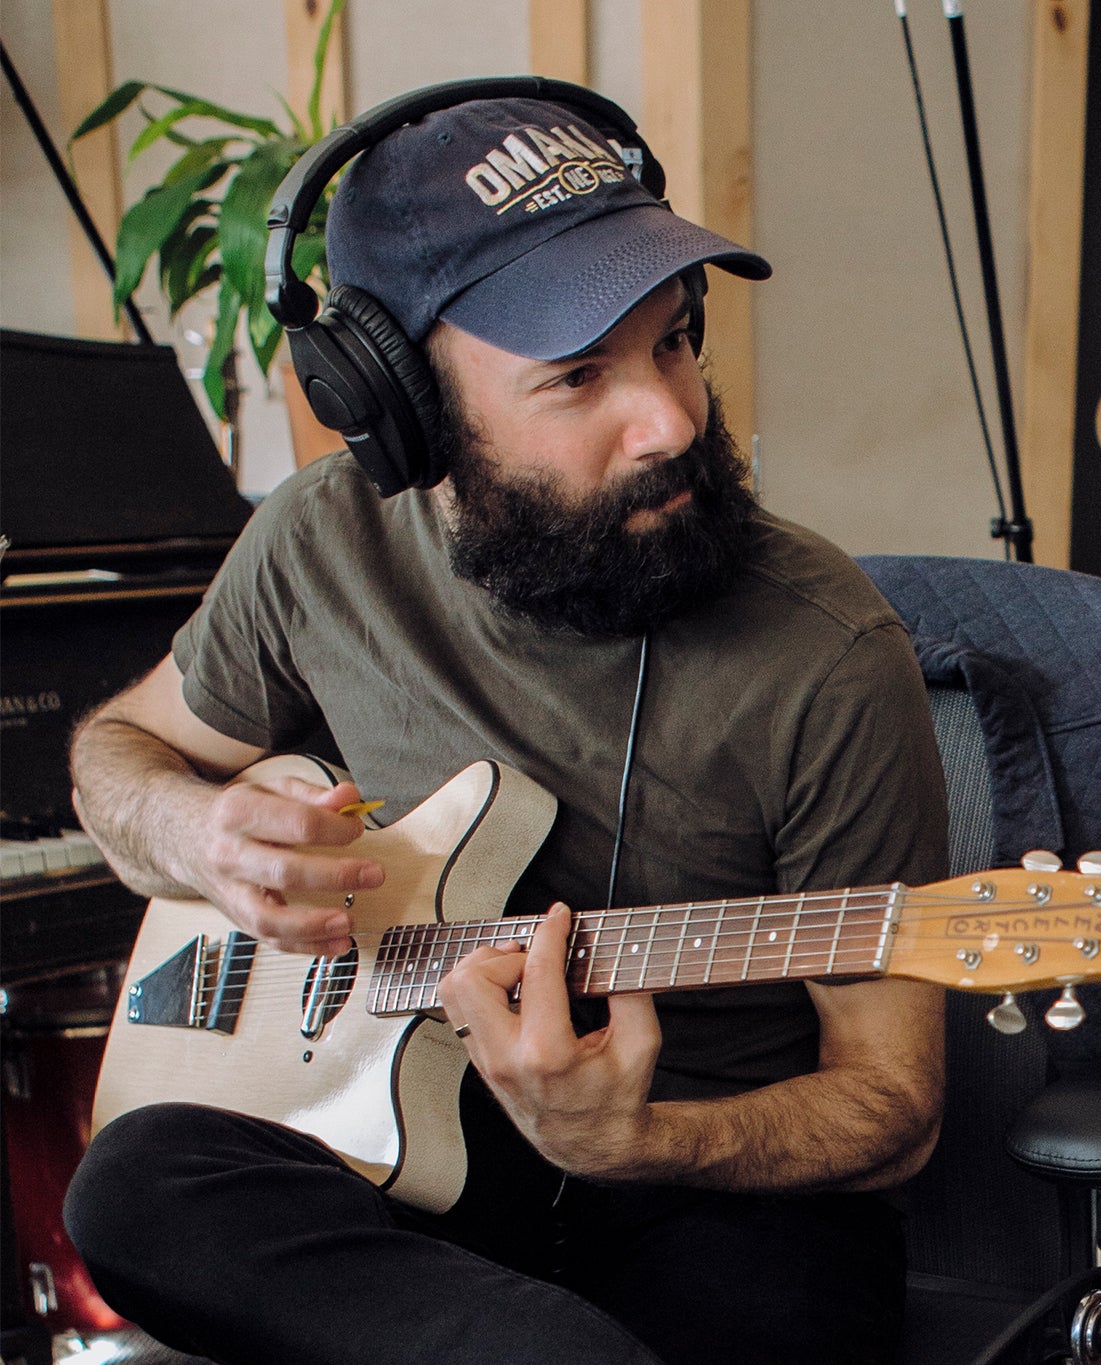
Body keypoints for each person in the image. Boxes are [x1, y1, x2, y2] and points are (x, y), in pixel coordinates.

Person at [64, 91, 949, 1365]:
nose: (671, 420)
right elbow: (120, 755)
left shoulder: (828, 652)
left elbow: (892, 1104)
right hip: (407, 1160)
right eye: (579, 376)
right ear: (405, 411)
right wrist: (200, 835)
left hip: (710, 1181)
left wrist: (632, 1142)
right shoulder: (323, 541)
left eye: (675, 344)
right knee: (136, 1181)